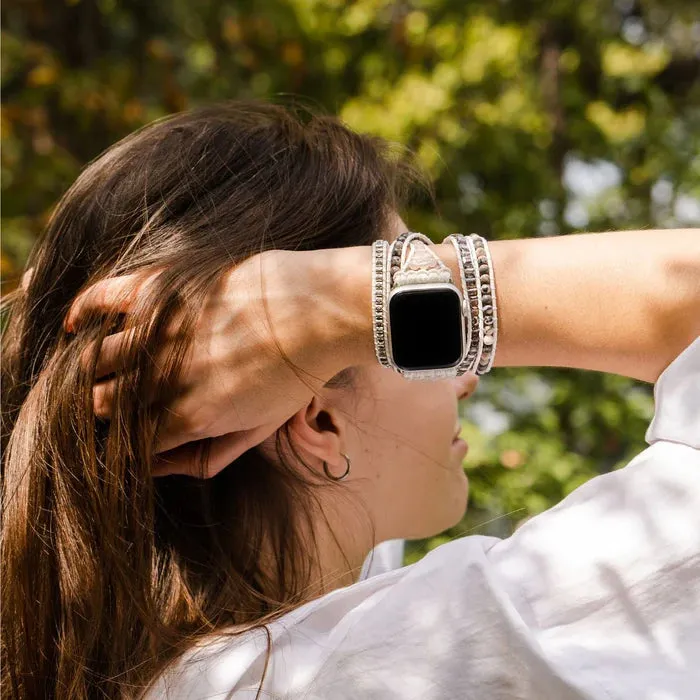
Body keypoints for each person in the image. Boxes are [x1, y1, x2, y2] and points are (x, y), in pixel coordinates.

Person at [1, 101, 698, 700]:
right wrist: (320, 311)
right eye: (409, 329)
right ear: (319, 418)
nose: (468, 377)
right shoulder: (404, 666)